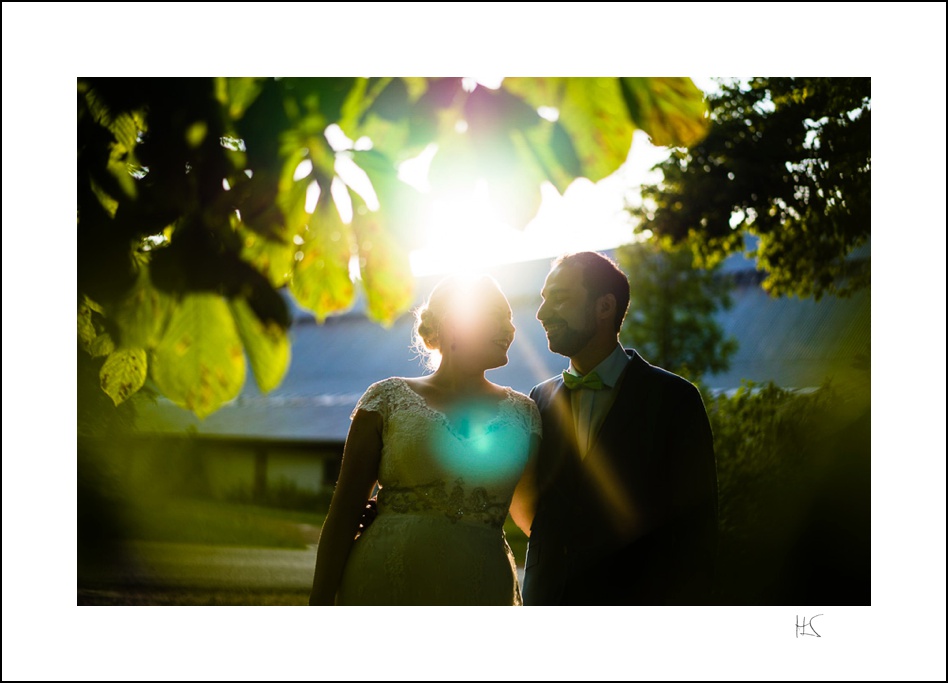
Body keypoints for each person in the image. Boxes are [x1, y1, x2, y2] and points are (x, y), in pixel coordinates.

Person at [308, 274, 541, 605]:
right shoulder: (386, 399)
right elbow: (344, 512)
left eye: (511, 318)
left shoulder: (524, 414)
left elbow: (535, 518)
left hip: (478, 586)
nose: (511, 328)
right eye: (499, 316)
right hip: (382, 580)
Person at [513, 251, 719, 606]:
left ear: (604, 306)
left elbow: (697, 528)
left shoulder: (675, 399)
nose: (542, 313)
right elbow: (530, 508)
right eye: (544, 299)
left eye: (560, 298)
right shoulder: (539, 400)